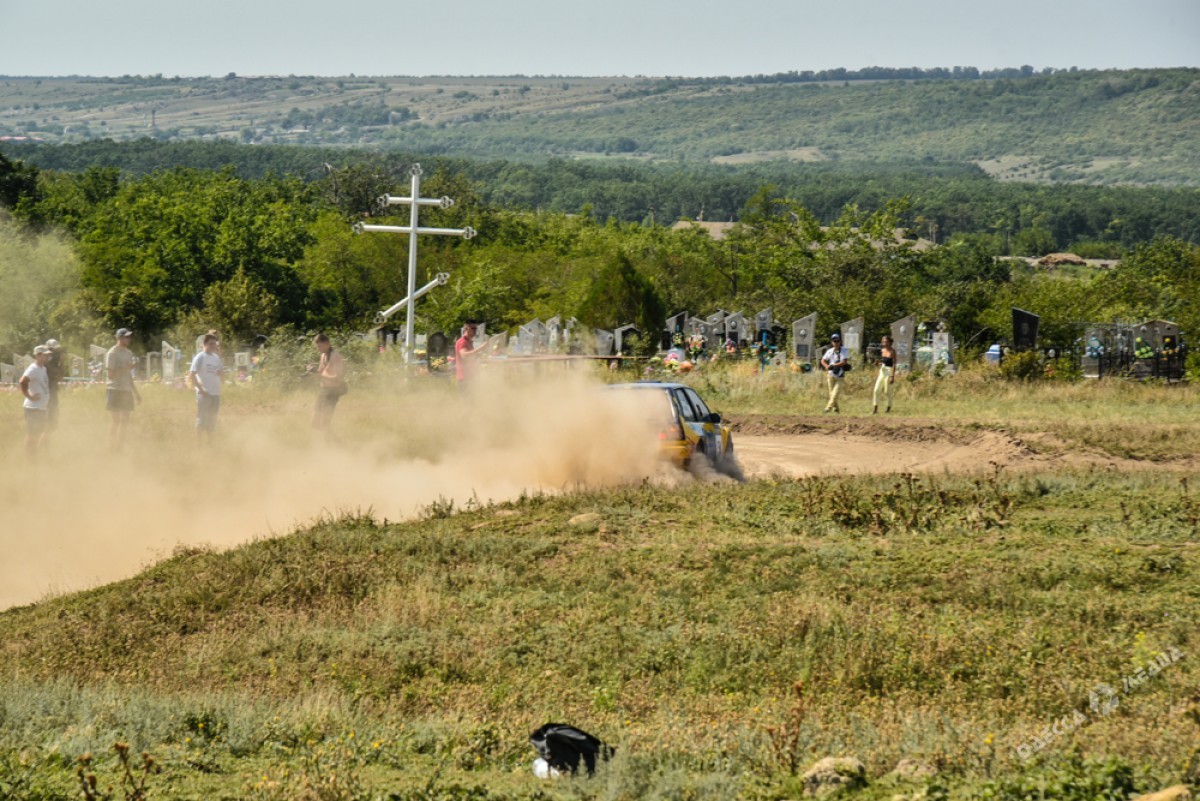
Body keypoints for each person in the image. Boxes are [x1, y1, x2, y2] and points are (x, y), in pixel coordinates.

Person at [106, 328, 141, 451]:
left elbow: (129, 375)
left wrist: (136, 393)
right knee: (116, 421)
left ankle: (119, 447)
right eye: (126, 337)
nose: (129, 339)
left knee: (125, 421)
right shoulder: (112, 353)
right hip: (115, 388)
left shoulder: (128, 353)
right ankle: (111, 446)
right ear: (119, 338)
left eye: (130, 337)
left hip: (126, 389)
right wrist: (126, 368)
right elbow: (110, 374)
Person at [188, 333, 224, 443]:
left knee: (212, 420)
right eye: (211, 344)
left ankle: (210, 442)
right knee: (202, 420)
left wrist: (220, 373)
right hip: (204, 394)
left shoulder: (216, 357)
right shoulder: (200, 357)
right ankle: (198, 443)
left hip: (215, 393)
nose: (213, 346)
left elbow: (222, 373)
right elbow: (192, 375)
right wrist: (201, 390)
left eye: (215, 344)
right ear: (205, 344)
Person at [310, 333, 346, 441]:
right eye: (317, 346)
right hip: (324, 390)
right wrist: (311, 372)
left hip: (333, 391)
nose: (318, 349)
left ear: (327, 344)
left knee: (324, 422)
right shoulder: (323, 355)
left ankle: (332, 445)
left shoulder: (335, 356)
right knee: (315, 422)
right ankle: (335, 442)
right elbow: (320, 373)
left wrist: (320, 376)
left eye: (320, 346)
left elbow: (337, 377)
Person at [19, 345, 53, 457]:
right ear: (38, 355)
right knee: (32, 434)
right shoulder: (33, 368)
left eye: (48, 355)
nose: (47, 357)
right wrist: (29, 395)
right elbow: (22, 381)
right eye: (45, 355)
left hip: (40, 407)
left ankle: (33, 456)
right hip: (33, 407)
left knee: (37, 433)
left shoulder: (43, 369)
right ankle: (29, 458)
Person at [820, 332, 850, 414]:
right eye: (834, 341)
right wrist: (826, 366)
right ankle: (836, 409)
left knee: (835, 393)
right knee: (831, 393)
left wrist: (834, 365)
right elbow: (823, 360)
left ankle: (828, 408)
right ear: (832, 342)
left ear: (840, 341)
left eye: (837, 341)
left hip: (840, 375)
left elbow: (844, 361)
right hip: (830, 375)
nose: (836, 343)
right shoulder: (830, 351)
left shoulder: (844, 350)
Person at [455, 321, 487, 394]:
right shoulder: (463, 342)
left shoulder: (469, 341)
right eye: (473, 328)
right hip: (465, 378)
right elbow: (464, 355)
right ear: (466, 328)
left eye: (476, 328)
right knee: (469, 403)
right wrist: (480, 348)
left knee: (473, 402)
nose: (475, 330)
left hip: (470, 377)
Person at [43, 338, 66, 436]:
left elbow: (61, 376)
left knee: (54, 418)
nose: (54, 353)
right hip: (46, 391)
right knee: (47, 418)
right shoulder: (44, 362)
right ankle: (44, 440)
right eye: (52, 350)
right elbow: (53, 372)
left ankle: (47, 439)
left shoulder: (54, 361)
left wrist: (61, 362)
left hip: (53, 389)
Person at [873, 335, 897, 414]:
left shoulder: (892, 351)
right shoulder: (882, 350)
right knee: (876, 389)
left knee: (887, 391)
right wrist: (878, 363)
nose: (883, 343)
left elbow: (893, 364)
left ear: (889, 342)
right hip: (882, 370)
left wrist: (892, 376)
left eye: (885, 341)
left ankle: (888, 407)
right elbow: (883, 362)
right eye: (882, 341)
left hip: (889, 371)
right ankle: (875, 408)